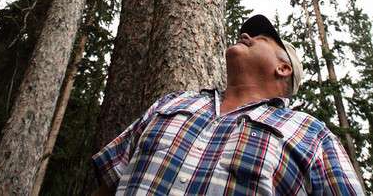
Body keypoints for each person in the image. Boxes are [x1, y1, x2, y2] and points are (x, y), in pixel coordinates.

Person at [92, 14, 365, 194]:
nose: (245, 35)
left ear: (283, 68)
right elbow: (108, 182)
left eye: (263, 39)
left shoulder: (312, 134)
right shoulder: (172, 102)